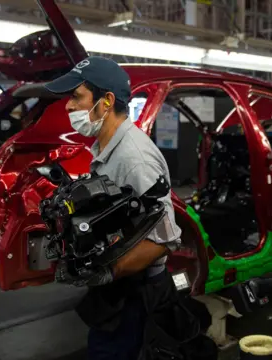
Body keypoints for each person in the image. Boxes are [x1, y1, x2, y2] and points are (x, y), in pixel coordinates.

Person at [44, 56, 186, 360]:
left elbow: (163, 239)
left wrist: (107, 271)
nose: (68, 106)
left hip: (137, 293)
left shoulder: (134, 158)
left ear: (106, 101)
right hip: (120, 289)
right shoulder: (108, 148)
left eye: (76, 97)